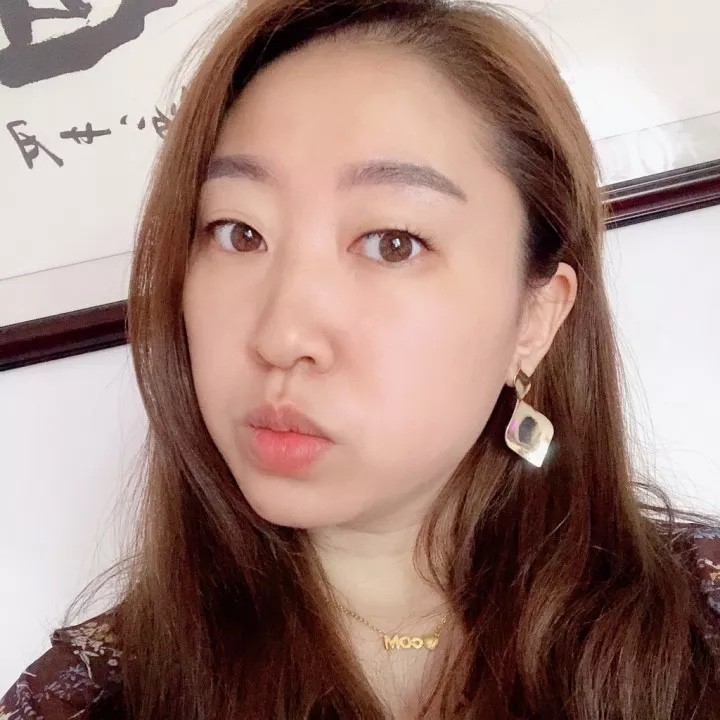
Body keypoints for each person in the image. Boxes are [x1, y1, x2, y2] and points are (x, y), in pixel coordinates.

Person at [3, 0, 720, 717]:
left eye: (392, 244)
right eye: (238, 232)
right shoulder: (88, 700)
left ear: (536, 317)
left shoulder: (700, 628)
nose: (282, 337)